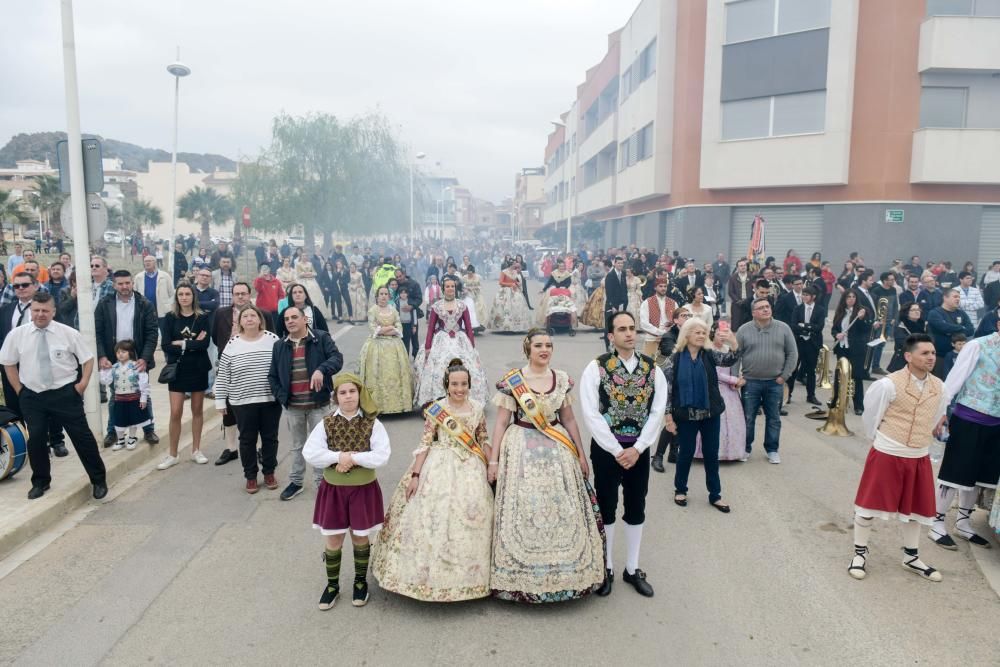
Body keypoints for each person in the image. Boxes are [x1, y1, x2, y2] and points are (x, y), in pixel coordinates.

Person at [488, 330, 604, 603]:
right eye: (539, 345)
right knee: (524, 508)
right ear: (527, 348)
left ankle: (566, 575)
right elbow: (502, 423)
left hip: (557, 448)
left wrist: (580, 454)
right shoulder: (512, 382)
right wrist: (493, 460)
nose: (544, 349)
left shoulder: (561, 379)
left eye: (549, 345)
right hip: (520, 449)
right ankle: (520, 578)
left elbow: (570, 420)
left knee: (560, 508)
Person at [372, 359, 493, 602]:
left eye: (464, 384)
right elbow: (426, 442)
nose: (460, 389)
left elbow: (483, 438)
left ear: (470, 385)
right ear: (446, 385)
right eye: (455, 384)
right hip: (439, 465)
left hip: (471, 466)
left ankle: (472, 580)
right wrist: (416, 476)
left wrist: (493, 465)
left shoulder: (478, 408)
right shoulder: (437, 409)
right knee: (432, 518)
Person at [579, 312, 668, 598]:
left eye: (632, 328)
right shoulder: (597, 367)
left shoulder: (653, 369)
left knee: (636, 504)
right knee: (606, 505)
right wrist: (618, 450)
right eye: (622, 329)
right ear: (611, 336)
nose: (629, 334)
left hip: (638, 450)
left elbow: (657, 411)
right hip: (608, 450)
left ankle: (632, 568)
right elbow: (591, 413)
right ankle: (606, 567)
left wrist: (639, 448)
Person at [848, 334, 950, 582]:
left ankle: (911, 556)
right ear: (908, 356)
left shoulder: (940, 386)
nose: (931, 358)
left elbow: (936, 415)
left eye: (933, 353)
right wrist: (884, 441)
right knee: (869, 504)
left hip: (918, 454)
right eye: (925, 353)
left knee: (916, 509)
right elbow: (871, 416)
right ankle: (859, 553)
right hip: (888, 451)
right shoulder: (888, 384)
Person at [0, 292, 107, 500]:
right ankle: (41, 482)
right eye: (36, 310)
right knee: (37, 439)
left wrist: (82, 384)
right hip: (32, 395)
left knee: (82, 437)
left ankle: (98, 480)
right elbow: (8, 363)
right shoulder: (17, 334)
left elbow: (87, 359)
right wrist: (19, 390)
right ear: (31, 311)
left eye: (45, 311)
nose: (40, 314)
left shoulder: (68, 333)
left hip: (65, 394)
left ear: (53, 312)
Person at [304, 373, 390, 610]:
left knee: (360, 536)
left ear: (359, 394)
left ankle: (360, 582)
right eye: (342, 392)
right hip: (334, 490)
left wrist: (350, 458)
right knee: (333, 538)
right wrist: (337, 457)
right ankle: (332, 586)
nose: (348, 396)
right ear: (336, 397)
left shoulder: (373, 423)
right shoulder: (327, 423)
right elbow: (310, 452)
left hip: (363, 490)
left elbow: (381, 455)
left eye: (352, 391)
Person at [929, 319, 1000, 550]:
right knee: (955, 472)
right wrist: (941, 410)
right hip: (970, 417)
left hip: (996, 422)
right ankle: (936, 522)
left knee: (978, 477)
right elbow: (954, 379)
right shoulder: (978, 345)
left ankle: (963, 522)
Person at [268, 305, 344, 501]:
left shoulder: (320, 338)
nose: (290, 321)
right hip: (293, 406)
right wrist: (281, 397)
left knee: (322, 445)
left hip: (318, 404)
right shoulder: (280, 345)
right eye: (287, 319)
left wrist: (321, 369)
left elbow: (337, 358)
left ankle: (322, 483)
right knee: (297, 446)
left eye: (295, 317)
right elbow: (272, 376)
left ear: (304, 320)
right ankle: (296, 482)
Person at [667, 318, 740, 512]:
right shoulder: (673, 359)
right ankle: (680, 489)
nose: (701, 335)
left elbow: (730, 359)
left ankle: (715, 495)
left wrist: (733, 343)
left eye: (703, 332)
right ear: (687, 335)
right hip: (686, 415)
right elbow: (667, 391)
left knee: (711, 454)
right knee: (686, 453)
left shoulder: (709, 355)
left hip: (710, 413)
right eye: (697, 332)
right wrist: (668, 418)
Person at [213, 304, 282, 493]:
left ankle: (269, 472)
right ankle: (250, 476)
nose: (249, 318)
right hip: (242, 402)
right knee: (247, 440)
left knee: (270, 439)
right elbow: (223, 374)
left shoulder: (273, 339)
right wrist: (220, 400)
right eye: (245, 316)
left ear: (260, 319)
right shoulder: (233, 343)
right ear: (240, 322)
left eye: (253, 315)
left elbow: (282, 367)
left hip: (270, 400)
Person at [95, 270, 160, 447]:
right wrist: (101, 356)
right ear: (114, 284)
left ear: (133, 283)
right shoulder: (104, 304)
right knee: (116, 396)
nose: (124, 287)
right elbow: (98, 333)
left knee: (143, 394)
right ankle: (113, 432)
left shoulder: (144, 304)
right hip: (113, 358)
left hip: (138, 358)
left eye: (127, 283)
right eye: (120, 283)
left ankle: (149, 429)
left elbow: (152, 333)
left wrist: (145, 358)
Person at [156, 284, 213, 470]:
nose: (184, 297)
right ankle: (173, 454)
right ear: (176, 297)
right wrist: (190, 344)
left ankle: (196, 450)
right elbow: (165, 345)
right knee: (175, 412)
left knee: (197, 410)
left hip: (198, 368)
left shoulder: (202, 317)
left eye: (187, 294)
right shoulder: (170, 318)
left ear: (193, 296)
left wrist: (181, 343)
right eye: (180, 294)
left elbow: (204, 344)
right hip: (177, 369)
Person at [736, 297, 799, 463]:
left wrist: (784, 376)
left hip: (774, 382)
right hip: (750, 382)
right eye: (761, 308)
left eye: (767, 306)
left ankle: (772, 450)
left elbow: (792, 354)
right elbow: (736, 356)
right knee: (748, 418)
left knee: (773, 418)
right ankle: (745, 448)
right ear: (753, 313)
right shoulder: (743, 330)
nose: (766, 309)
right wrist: (736, 378)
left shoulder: (783, 328)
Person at [415, 277, 487, 406]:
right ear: (443, 289)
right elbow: (431, 328)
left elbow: (469, 328)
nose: (450, 289)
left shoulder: (462, 306)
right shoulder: (436, 306)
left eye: (452, 286)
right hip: (442, 339)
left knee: (467, 363)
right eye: (447, 286)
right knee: (439, 364)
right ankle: (439, 397)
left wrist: (472, 347)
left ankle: (467, 397)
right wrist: (427, 347)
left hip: (460, 340)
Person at [359, 286, 413, 414]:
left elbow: (399, 325)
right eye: (381, 294)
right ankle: (379, 406)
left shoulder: (393, 310)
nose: (383, 296)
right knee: (378, 373)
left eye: (386, 294)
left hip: (394, 344)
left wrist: (386, 328)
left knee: (397, 372)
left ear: (389, 297)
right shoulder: (373, 310)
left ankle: (398, 405)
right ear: (377, 297)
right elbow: (373, 328)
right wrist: (389, 328)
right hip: (377, 345)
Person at [98, 340, 150, 451]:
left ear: (130, 353)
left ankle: (132, 438)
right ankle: (120, 439)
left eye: (123, 352)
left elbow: (143, 382)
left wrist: (144, 397)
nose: (120, 354)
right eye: (118, 352)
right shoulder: (114, 367)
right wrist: (104, 370)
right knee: (118, 419)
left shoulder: (136, 366)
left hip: (134, 398)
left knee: (133, 419)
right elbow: (105, 381)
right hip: (119, 399)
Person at [830, 290, 872, 416]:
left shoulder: (863, 311)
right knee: (839, 374)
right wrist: (836, 334)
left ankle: (859, 405)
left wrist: (861, 318)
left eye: (853, 297)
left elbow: (866, 329)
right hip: (842, 348)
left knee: (856, 377)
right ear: (844, 298)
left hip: (856, 349)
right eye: (848, 297)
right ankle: (836, 401)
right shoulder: (840, 311)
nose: (851, 299)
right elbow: (834, 328)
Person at [788, 287, 825, 406]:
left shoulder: (820, 310)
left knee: (811, 371)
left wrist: (804, 325)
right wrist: (808, 328)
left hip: (812, 343)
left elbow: (819, 327)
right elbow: (793, 325)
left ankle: (811, 395)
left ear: (813, 296)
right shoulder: (797, 308)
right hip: (799, 342)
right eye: (803, 295)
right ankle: (788, 394)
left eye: (807, 295)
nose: (804, 297)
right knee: (793, 369)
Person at [927, 289, 974, 378]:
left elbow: (971, 330)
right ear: (945, 298)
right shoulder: (935, 313)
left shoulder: (962, 313)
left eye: (959, 297)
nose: (958, 299)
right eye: (955, 297)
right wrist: (961, 327)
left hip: (959, 356)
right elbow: (943, 327)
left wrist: (951, 329)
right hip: (940, 356)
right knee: (940, 383)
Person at [638, 277, 677, 359]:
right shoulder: (647, 302)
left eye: (665, 286)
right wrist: (660, 332)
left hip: (669, 339)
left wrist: (668, 332)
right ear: (655, 287)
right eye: (660, 286)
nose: (663, 288)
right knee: (650, 364)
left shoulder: (673, 303)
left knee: (669, 366)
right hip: (652, 338)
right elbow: (643, 323)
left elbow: (677, 321)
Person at [488, 261, 532, 333]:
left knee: (517, 306)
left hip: (515, 291)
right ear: (511, 265)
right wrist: (510, 284)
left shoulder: (515, 272)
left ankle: (516, 326)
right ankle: (503, 325)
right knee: (504, 307)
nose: (515, 265)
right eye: (514, 264)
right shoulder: (504, 272)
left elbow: (517, 281)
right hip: (505, 291)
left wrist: (517, 283)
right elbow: (500, 282)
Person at [538, 258, 578, 328]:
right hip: (555, 290)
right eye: (560, 266)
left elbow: (569, 282)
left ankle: (568, 321)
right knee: (550, 304)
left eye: (563, 266)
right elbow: (549, 282)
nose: (562, 268)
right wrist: (543, 289)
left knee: (568, 304)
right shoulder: (554, 273)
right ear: (558, 267)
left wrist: (565, 287)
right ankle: (549, 321)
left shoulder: (567, 274)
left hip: (564, 291)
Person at [135, 255, 174, 325]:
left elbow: (172, 293)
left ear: (155, 263)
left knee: (163, 332)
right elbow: (135, 294)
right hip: (145, 311)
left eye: (149, 261)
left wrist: (169, 307)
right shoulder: (138, 277)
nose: (147, 263)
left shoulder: (165, 276)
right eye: (145, 261)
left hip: (162, 311)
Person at [887, 303, 926, 372]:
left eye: (918, 310)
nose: (917, 312)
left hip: (919, 360)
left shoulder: (923, 324)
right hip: (903, 361)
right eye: (913, 310)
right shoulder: (901, 325)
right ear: (906, 313)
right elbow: (903, 342)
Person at [727, 258, 753, 331]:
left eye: (744, 265)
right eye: (741, 266)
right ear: (737, 268)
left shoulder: (751, 276)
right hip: (737, 304)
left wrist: (749, 300)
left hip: (749, 303)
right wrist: (738, 301)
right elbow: (730, 292)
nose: (743, 267)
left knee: (749, 323)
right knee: (736, 323)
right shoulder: (733, 277)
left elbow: (754, 290)